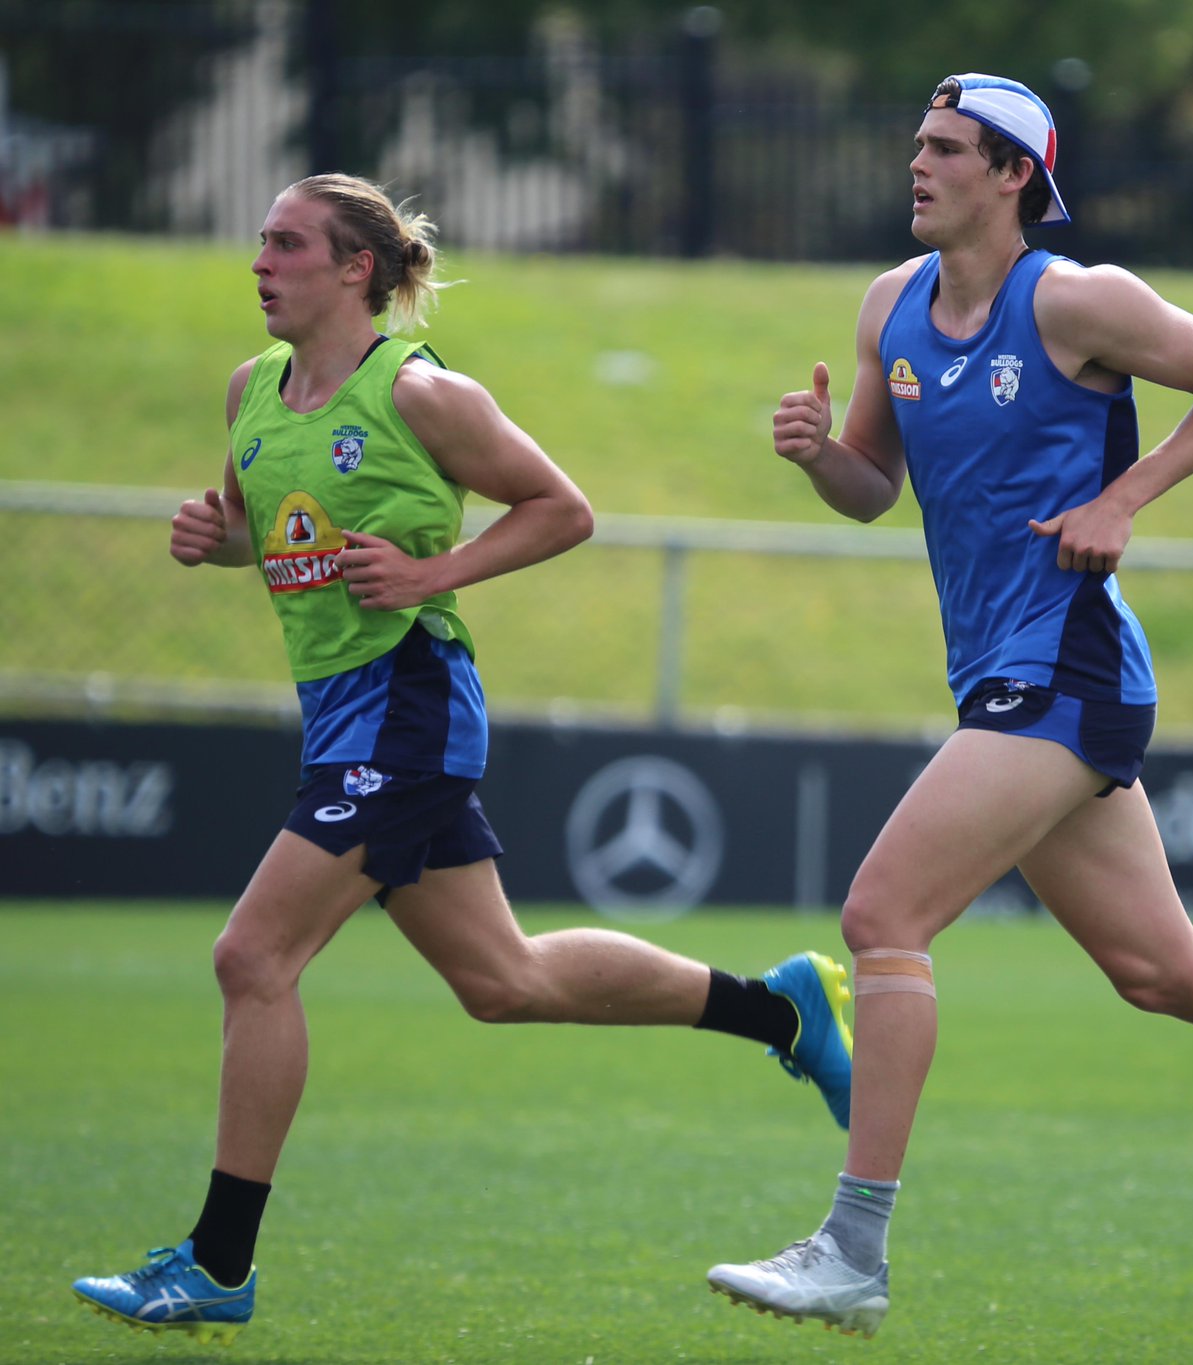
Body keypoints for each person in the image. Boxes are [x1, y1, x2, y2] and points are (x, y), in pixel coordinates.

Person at [703, 73, 1193, 1340]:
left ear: (1012, 175)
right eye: (916, 143)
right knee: (1158, 968)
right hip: (1004, 672)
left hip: (1066, 665)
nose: (918, 165)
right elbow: (871, 489)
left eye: (947, 149)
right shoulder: (888, 307)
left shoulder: (1074, 299)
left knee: (880, 913)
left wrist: (1125, 499)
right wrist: (817, 458)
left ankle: (852, 1249)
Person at [68, 174, 855, 1346]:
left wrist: (434, 574)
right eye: (261, 245)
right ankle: (779, 1012)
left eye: (286, 245)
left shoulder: (423, 394)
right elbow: (261, 530)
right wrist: (215, 541)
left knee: (253, 956)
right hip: (342, 716)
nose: (259, 264)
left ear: (355, 271)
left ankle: (216, 1264)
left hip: (408, 709)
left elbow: (562, 509)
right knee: (506, 983)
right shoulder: (251, 390)